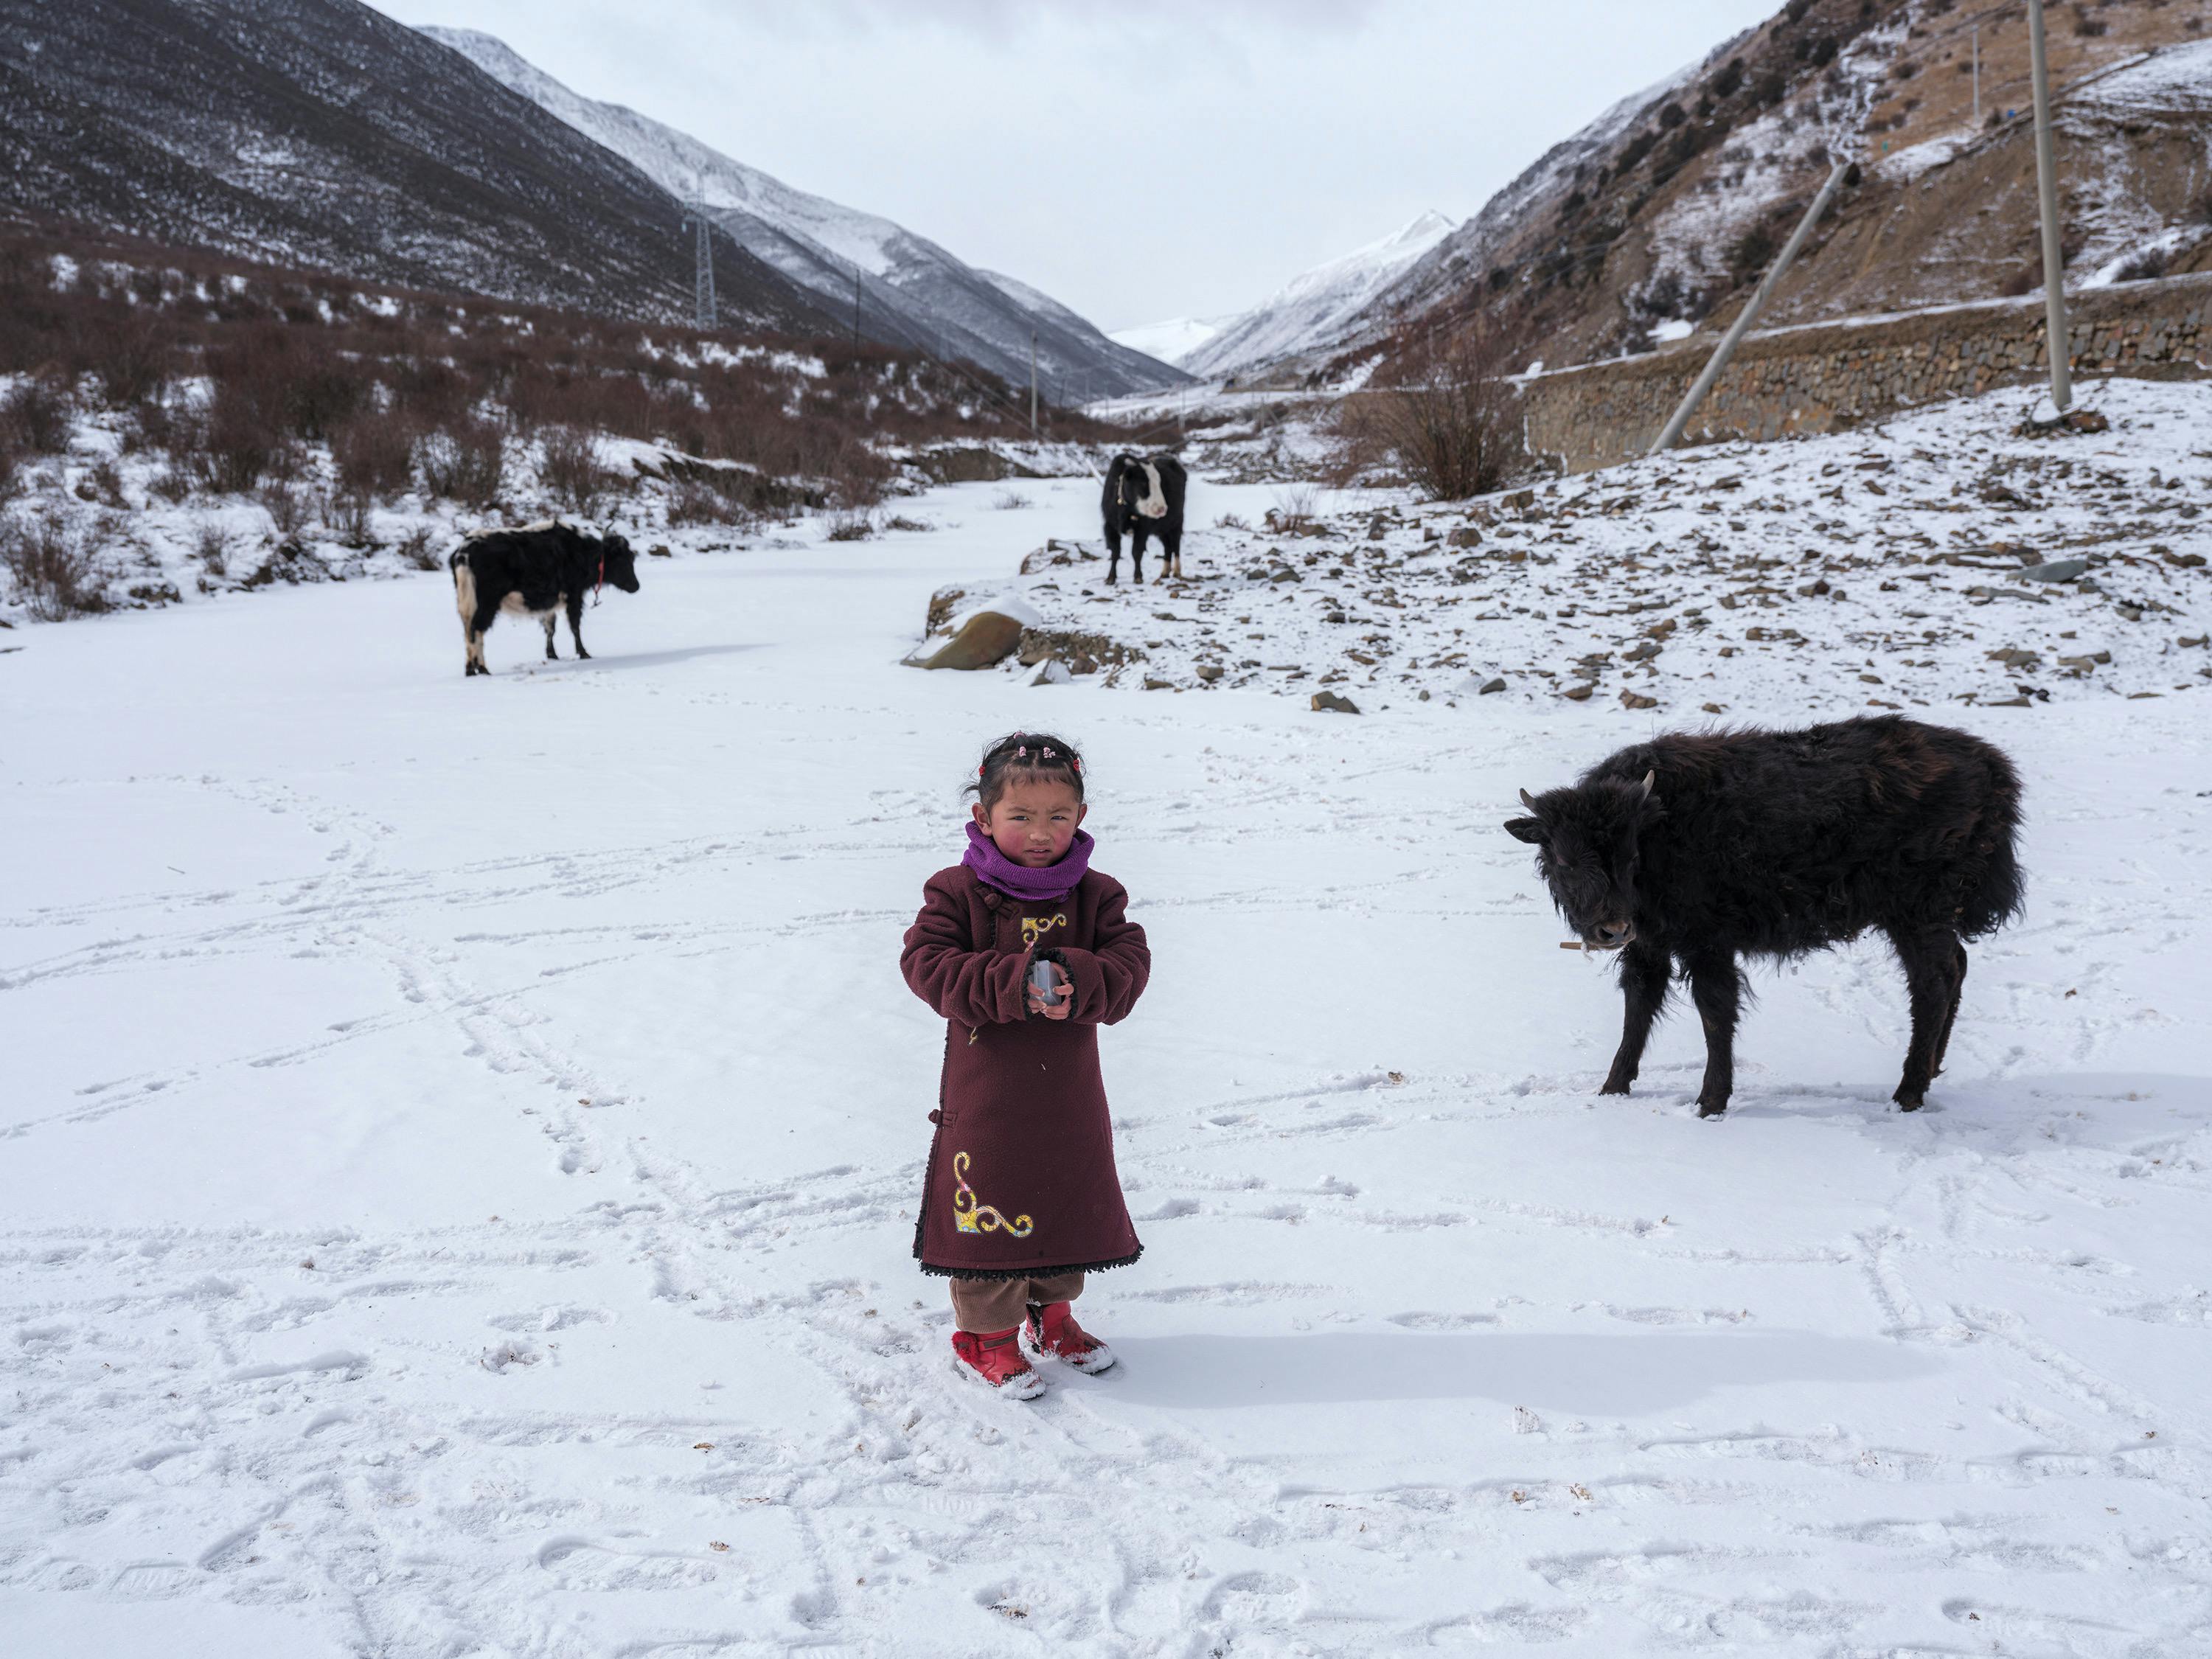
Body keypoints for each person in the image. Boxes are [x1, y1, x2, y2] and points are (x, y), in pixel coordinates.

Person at [899, 731, 1150, 1397]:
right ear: (984, 818)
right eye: (1021, 817)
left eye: (1057, 817)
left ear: (1081, 817)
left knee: (1063, 1194)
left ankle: (1053, 1316)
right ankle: (985, 1337)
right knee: (990, 1206)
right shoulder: (956, 892)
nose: (1041, 833)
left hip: (1067, 1093)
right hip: (987, 1096)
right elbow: (928, 967)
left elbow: (1130, 966)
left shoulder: (1097, 897)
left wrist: (1080, 976)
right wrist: (1016, 981)